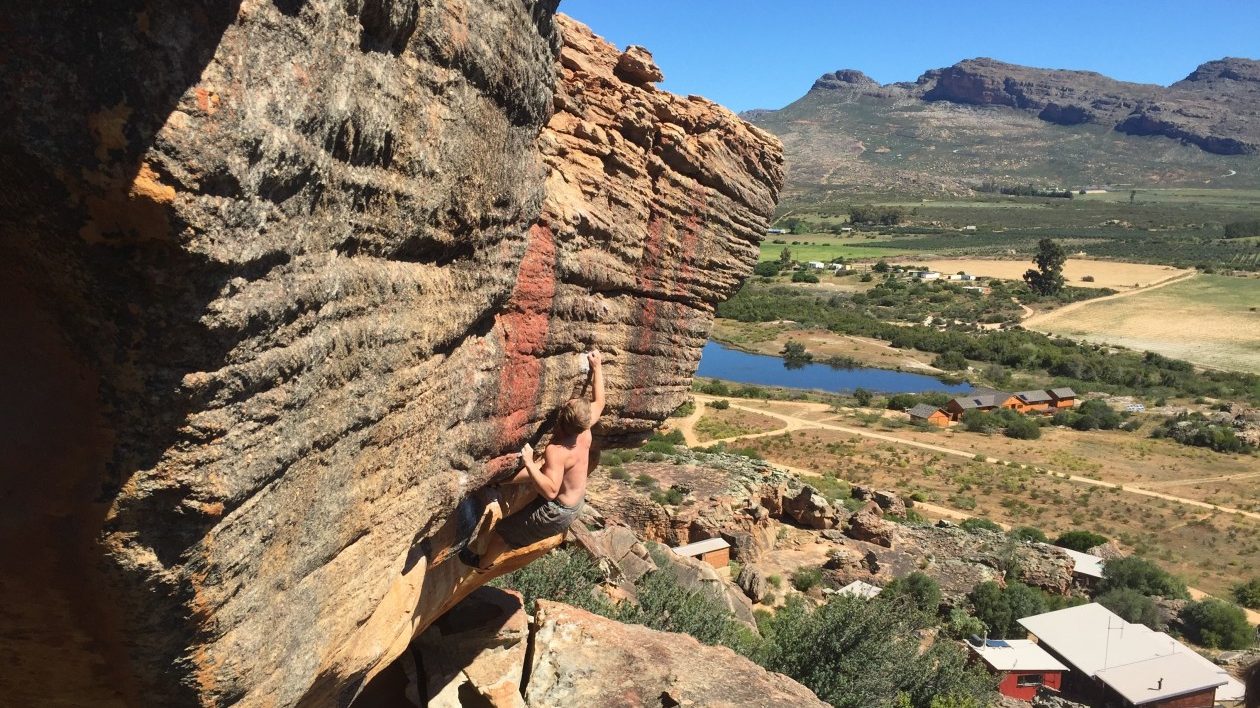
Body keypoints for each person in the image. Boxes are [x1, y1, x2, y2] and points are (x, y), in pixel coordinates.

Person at [461, 350, 604, 568]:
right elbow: (599, 402)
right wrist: (597, 367)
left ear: (562, 421)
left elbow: (550, 491)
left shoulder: (557, 450)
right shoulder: (584, 430)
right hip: (575, 502)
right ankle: (503, 480)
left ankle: (481, 564)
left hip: (556, 512)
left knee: (503, 534)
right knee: (542, 468)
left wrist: (528, 461)